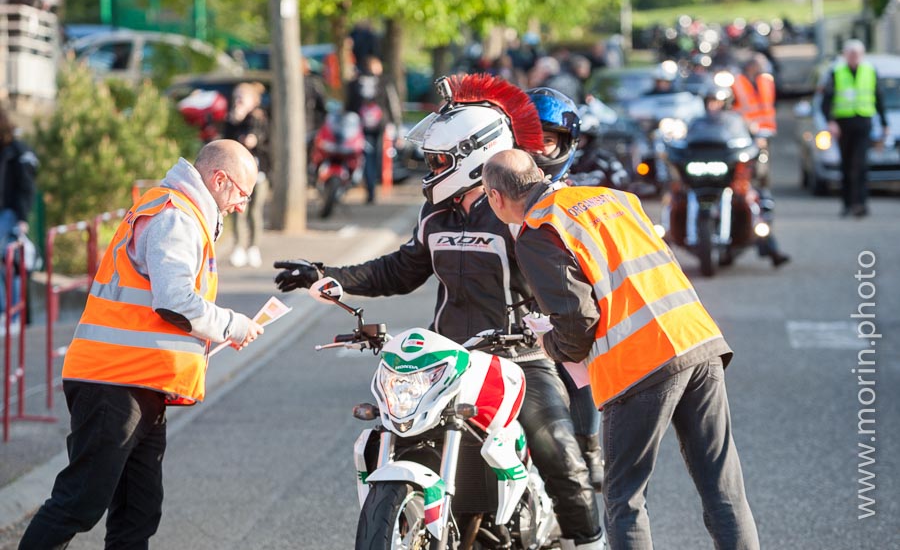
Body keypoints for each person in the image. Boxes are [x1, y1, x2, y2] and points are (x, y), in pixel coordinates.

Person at [275, 74, 605, 550]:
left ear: (473, 157)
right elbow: (400, 271)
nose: (430, 169)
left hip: (521, 358)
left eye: (438, 160)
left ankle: (590, 542)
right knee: (396, 431)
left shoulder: (520, 214)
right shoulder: (436, 215)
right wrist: (327, 274)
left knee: (557, 446)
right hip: (450, 355)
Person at [482, 148, 760, 550]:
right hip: (698, 340)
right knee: (723, 488)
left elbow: (578, 324)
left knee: (624, 500)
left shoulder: (539, 229)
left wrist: (549, 343)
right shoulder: (612, 198)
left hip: (640, 364)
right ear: (539, 173)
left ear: (495, 197)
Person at [19, 140, 265, 549]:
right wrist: (231, 325)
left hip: (136, 384)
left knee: (139, 511)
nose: (241, 206)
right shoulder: (176, 216)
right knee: (80, 503)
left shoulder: (179, 212)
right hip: (115, 382)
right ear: (219, 179)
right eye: (243, 194)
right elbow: (174, 301)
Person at [527, 86, 603, 491]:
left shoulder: (576, 197)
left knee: (579, 367)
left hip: (563, 316)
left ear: (567, 144)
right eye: (528, 140)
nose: (538, 151)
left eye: (548, 140)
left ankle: (590, 449)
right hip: (510, 324)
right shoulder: (491, 196)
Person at [698, 86, 790, 267]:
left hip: (731, 178)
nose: (713, 106)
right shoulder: (697, 123)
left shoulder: (737, 121)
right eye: (710, 102)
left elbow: (753, 142)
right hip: (703, 177)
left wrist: (757, 140)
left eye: (717, 102)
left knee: (755, 202)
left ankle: (771, 248)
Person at [821, 39, 890, 218]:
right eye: (850, 54)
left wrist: (884, 123)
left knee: (860, 164)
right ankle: (847, 204)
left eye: (857, 54)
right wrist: (830, 122)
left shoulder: (869, 71)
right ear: (845, 55)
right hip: (843, 124)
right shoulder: (837, 72)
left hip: (863, 122)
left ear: (862, 55)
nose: (854, 57)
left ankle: (860, 203)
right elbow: (826, 100)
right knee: (846, 164)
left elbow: (879, 97)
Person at [223, 82, 270, 268]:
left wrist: (251, 135)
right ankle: (239, 247)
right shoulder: (231, 119)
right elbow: (226, 144)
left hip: (259, 171)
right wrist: (234, 122)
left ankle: (253, 247)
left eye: (243, 97)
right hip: (237, 173)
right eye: (237, 97)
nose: (239, 101)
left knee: (255, 210)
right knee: (237, 210)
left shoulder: (259, 117)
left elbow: (256, 139)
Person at [345, 56, 401, 204]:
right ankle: (372, 185)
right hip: (379, 126)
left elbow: (349, 105)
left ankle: (370, 186)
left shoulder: (355, 83)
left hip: (361, 125)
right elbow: (392, 104)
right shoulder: (384, 82)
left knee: (367, 156)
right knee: (376, 157)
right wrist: (396, 124)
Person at [0, 108, 38, 326]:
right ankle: (9, 315)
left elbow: (26, 187)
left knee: (12, 264)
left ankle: (14, 317)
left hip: (9, 213)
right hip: (7, 212)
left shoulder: (16, 151)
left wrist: (22, 218)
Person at [731, 53, 777, 186]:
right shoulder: (737, 81)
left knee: (762, 162)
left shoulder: (766, 81)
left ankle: (762, 186)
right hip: (743, 129)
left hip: (765, 129)